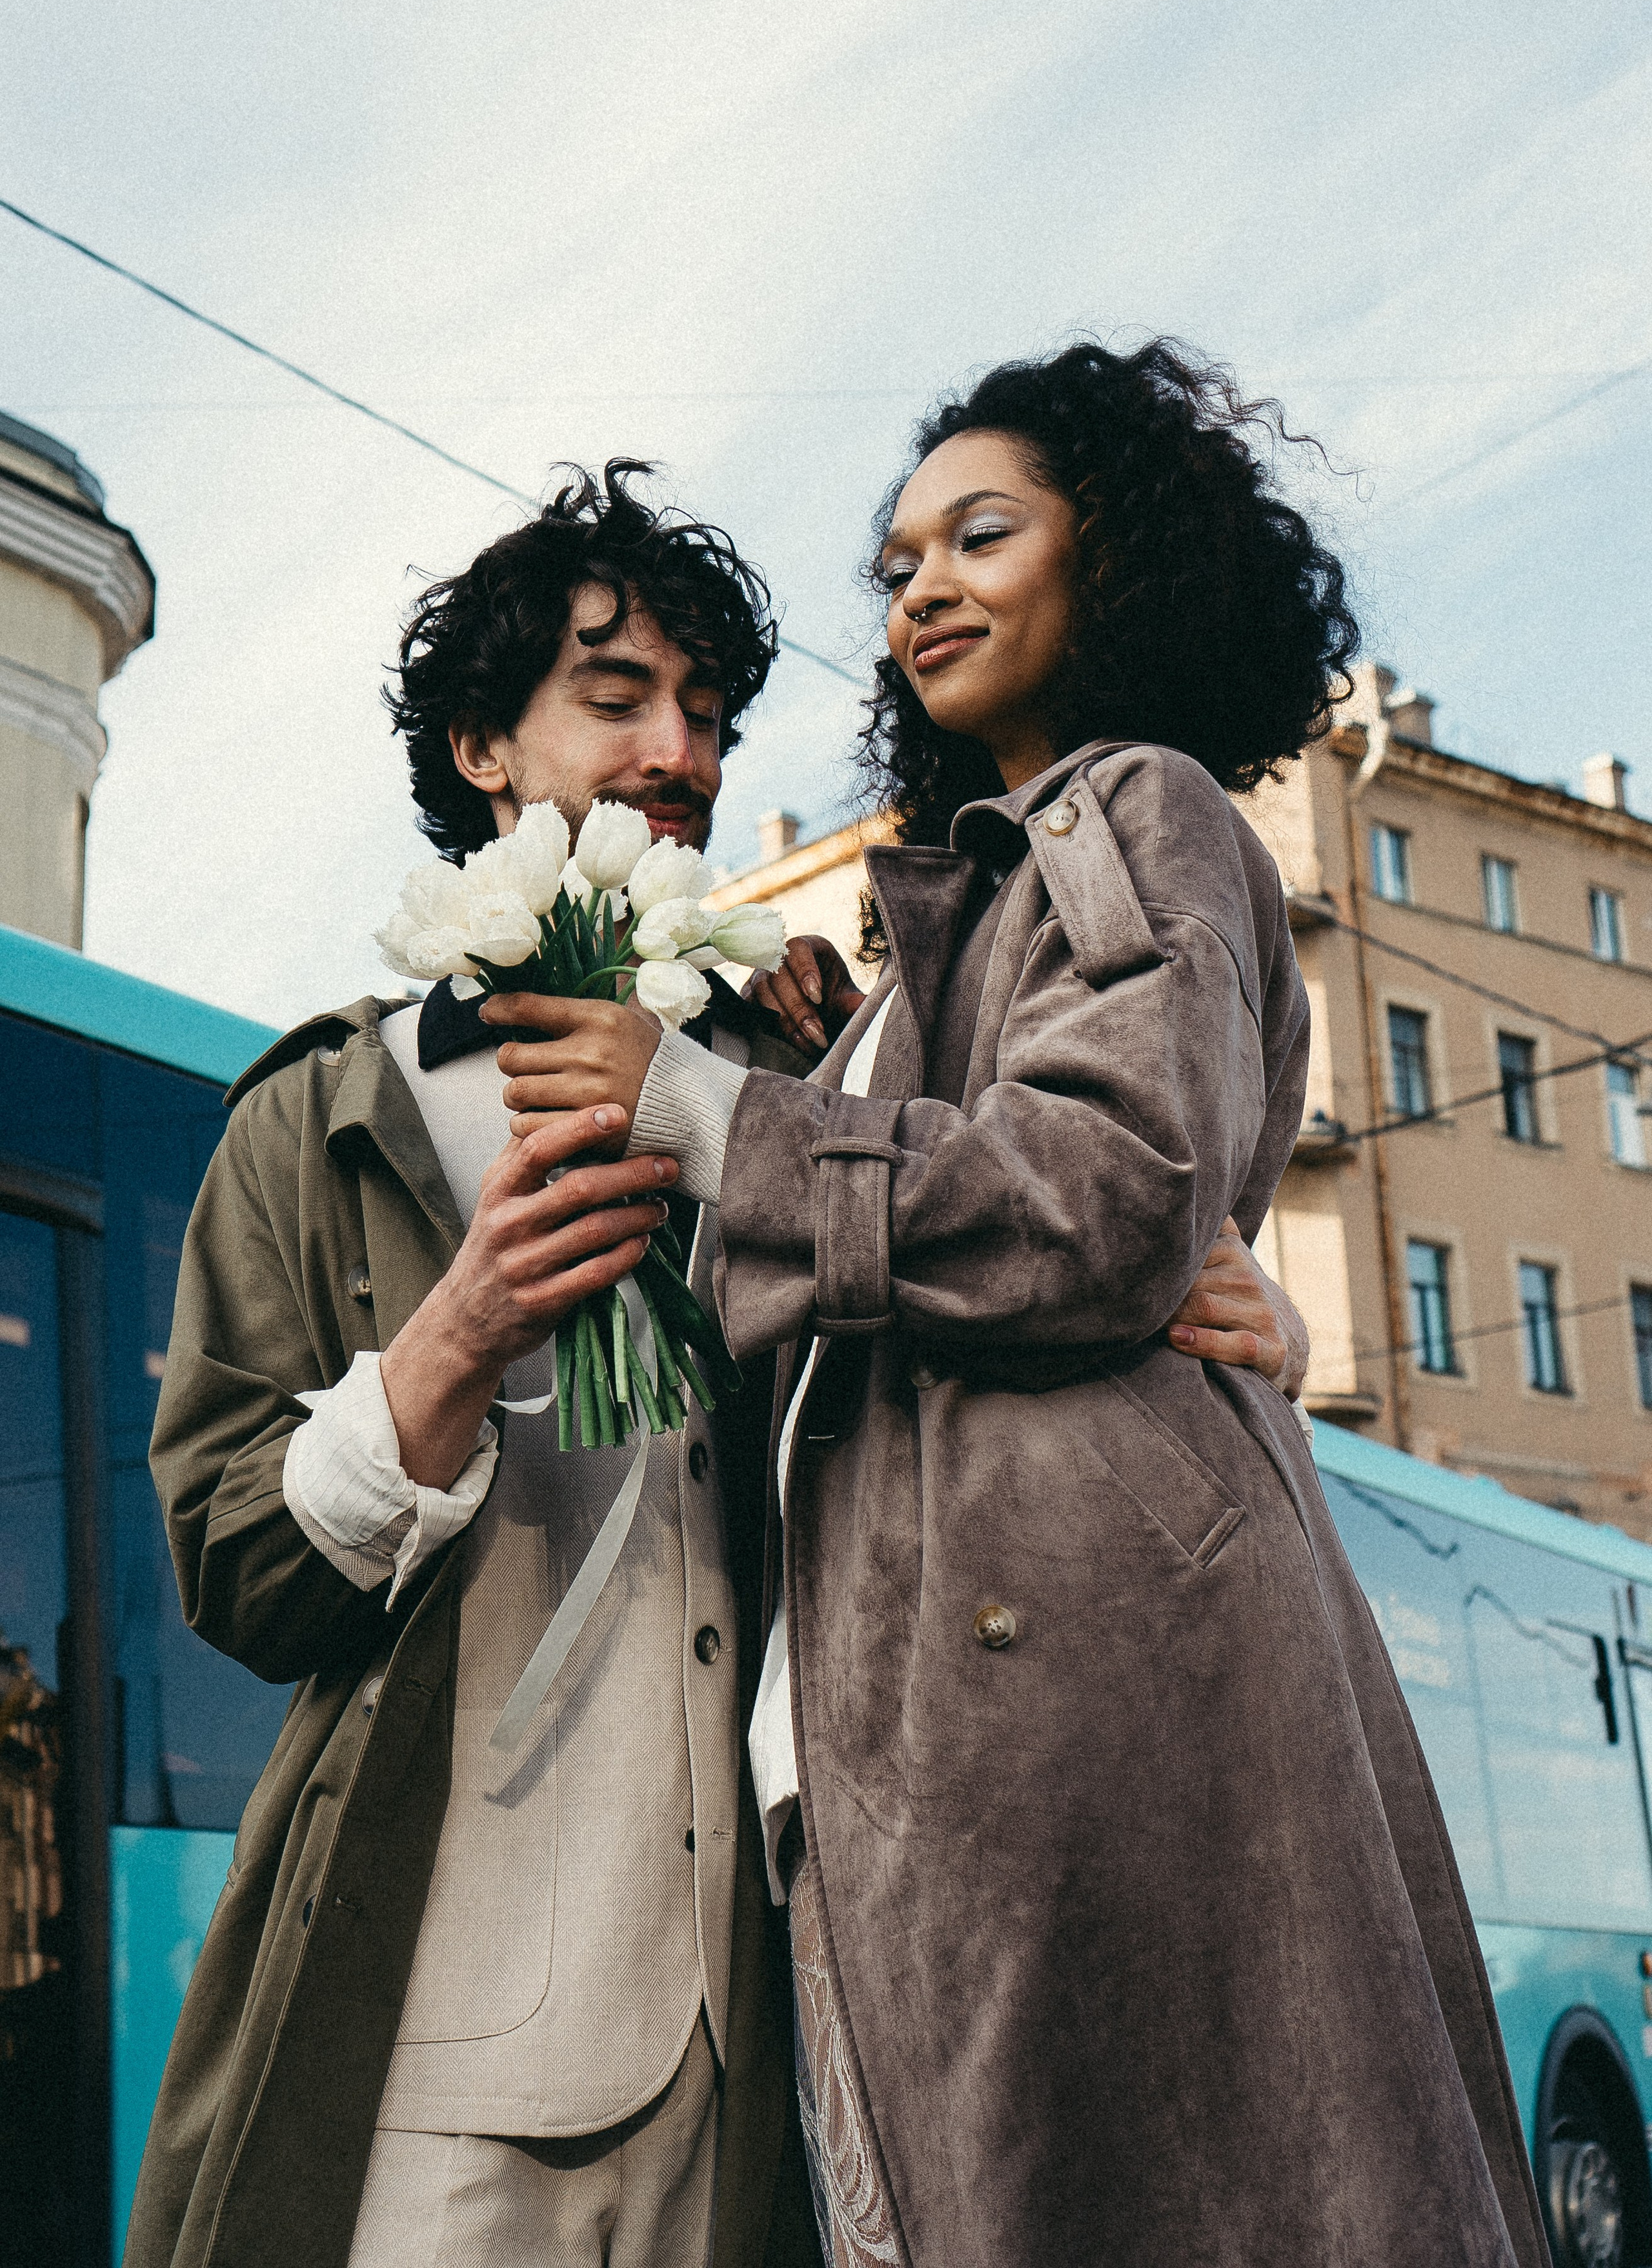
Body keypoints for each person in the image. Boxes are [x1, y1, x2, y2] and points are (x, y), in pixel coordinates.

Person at [130, 457, 1304, 2268]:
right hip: (429, 2052)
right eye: (619, 699)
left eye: (708, 712)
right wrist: (461, 1330)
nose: (678, 752)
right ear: (479, 750)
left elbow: (1037, 1248)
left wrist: (1235, 1332)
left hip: (776, 2061)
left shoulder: (815, 1079)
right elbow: (234, 1572)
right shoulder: (319, 1118)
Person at [534, 347, 1551, 2267]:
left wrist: (701, 1115)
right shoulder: (977, 902)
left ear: (1118, 564)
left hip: (1054, 1697)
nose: (923, 587)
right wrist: (811, 1076)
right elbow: (1050, 1208)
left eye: (982, 535)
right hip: (922, 1714)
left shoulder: (1133, 809)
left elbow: (1101, 1191)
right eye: (898, 562)